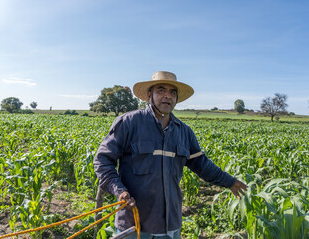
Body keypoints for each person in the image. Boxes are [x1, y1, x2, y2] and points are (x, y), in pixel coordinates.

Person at [93, 71, 248, 239]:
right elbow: (103, 160)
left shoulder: (184, 132)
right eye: (161, 90)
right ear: (148, 95)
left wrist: (229, 181)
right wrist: (120, 191)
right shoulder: (129, 123)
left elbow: (202, 165)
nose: (167, 96)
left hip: (169, 226)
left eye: (172, 92)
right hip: (133, 223)